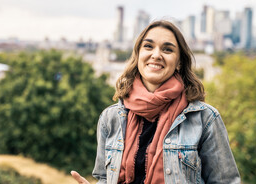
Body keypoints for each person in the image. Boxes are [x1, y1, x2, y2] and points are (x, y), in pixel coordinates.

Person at [71, 20, 240, 184]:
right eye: (148, 46)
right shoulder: (111, 118)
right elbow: (105, 178)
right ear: (138, 55)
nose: (156, 55)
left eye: (167, 49)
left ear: (179, 61)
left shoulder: (204, 118)